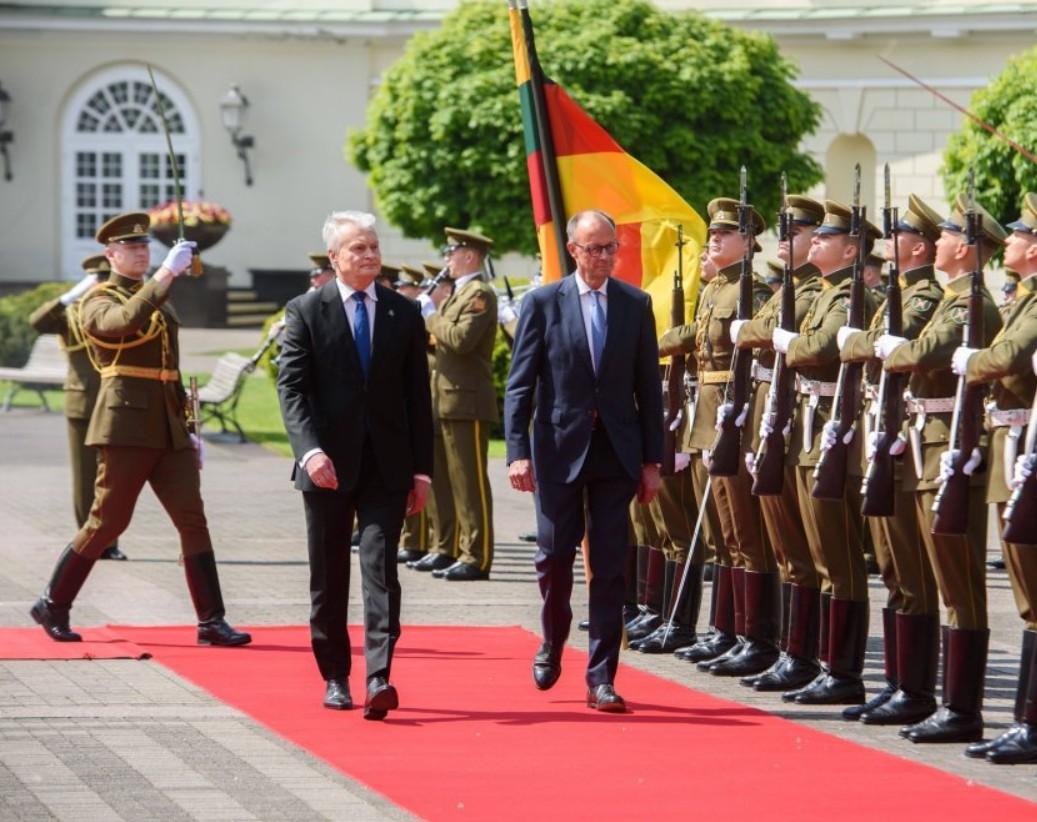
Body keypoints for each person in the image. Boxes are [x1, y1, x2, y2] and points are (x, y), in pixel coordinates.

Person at [29, 212, 251, 648]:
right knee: (107, 521)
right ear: (110, 254)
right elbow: (119, 324)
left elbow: (170, 367)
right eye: (131, 248)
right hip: (125, 423)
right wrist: (166, 273)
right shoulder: (98, 299)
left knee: (193, 519)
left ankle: (211, 620)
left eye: (145, 247)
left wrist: (189, 429)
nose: (141, 253)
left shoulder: (156, 294)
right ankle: (52, 603)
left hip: (168, 426)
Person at [505, 209, 663, 712]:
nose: (603, 257)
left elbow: (648, 391)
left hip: (616, 453)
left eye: (610, 247)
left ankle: (602, 677)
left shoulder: (635, 305)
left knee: (611, 568)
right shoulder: (543, 303)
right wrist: (517, 453)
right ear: (572, 250)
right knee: (553, 557)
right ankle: (552, 640)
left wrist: (652, 461)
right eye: (593, 248)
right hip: (557, 452)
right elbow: (520, 384)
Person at [277, 210, 433, 717]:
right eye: (358, 249)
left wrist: (422, 471)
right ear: (335, 258)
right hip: (326, 466)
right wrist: (310, 450)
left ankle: (379, 676)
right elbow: (292, 389)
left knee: (381, 570)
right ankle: (336, 676)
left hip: (387, 467)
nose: (369, 255)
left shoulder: (402, 313)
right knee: (328, 577)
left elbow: (417, 397)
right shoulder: (306, 310)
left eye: (373, 246)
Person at [881, 193, 1005, 743]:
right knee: (914, 569)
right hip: (924, 442)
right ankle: (916, 690)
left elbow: (923, 351)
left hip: (951, 448)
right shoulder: (946, 296)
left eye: (951, 234)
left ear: (967, 247)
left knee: (958, 583)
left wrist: (888, 346)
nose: (941, 242)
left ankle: (960, 708)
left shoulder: (969, 302)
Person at [836, 194, 944, 724]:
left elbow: (884, 348)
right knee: (892, 565)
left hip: (909, 440)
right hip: (884, 434)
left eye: (896, 234)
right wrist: (866, 342)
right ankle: (900, 683)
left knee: (909, 567)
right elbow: (859, 347)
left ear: (917, 245)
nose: (886, 242)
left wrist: (865, 342)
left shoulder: (924, 297)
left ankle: (917, 691)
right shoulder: (898, 293)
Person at [777, 199, 881, 705]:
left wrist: (787, 343)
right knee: (814, 554)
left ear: (851, 247)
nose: (813, 239)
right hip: (808, 427)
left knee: (837, 558)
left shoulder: (849, 296)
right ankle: (815, 660)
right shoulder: (822, 292)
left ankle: (842, 671)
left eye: (825, 236)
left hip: (834, 432)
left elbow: (819, 347)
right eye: (812, 235)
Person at [953, 192, 1037, 763]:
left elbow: (1007, 357)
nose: (1006, 241)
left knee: (1033, 595)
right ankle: (1026, 721)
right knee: (1028, 597)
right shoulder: (1023, 299)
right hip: (1015, 444)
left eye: (1018, 234)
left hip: (1026, 446)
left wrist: (972, 362)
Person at [731, 194, 826, 692]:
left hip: (802, 426)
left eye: (799, 233)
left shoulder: (813, 290)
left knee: (812, 550)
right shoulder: (791, 286)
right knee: (784, 545)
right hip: (774, 418)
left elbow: (768, 332)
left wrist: (750, 330)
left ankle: (813, 658)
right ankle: (789, 651)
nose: (786, 242)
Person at [29, 253, 127, 561]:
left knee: (113, 477)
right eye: (95, 279)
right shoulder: (69, 314)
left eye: (103, 278)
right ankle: (89, 540)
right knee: (86, 478)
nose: (99, 284)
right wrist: (70, 295)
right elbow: (37, 322)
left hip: (114, 403)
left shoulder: (118, 308)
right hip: (82, 402)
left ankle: (110, 542)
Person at [420, 228, 498, 581]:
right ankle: (454, 548)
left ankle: (476, 555)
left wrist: (432, 314)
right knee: (453, 480)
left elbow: (461, 340)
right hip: (449, 399)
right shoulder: (459, 294)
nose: (447, 258)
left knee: (471, 483)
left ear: (469, 255)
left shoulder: (478, 293)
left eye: (451, 252)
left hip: (467, 401)